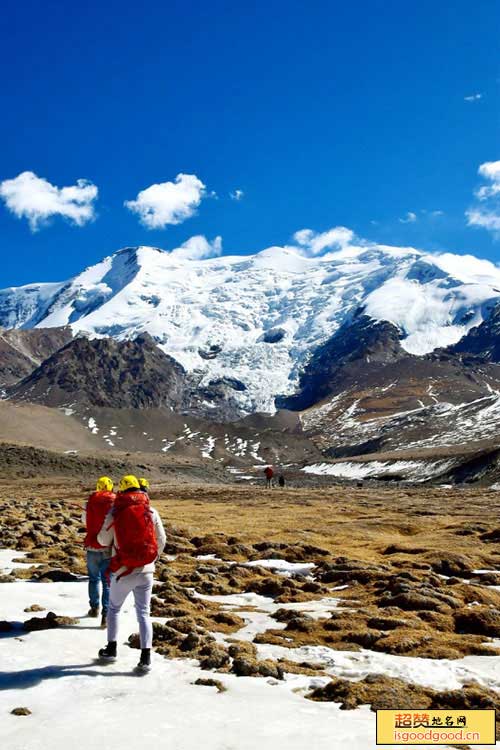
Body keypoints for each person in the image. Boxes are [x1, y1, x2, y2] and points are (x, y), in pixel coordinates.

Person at [97, 474, 166, 673]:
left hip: (123, 570)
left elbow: (102, 540)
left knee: (114, 609)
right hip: (146, 570)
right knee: (144, 613)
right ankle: (146, 657)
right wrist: (151, 559)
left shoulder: (115, 512)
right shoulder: (151, 511)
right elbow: (162, 540)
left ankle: (111, 649)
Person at [82, 476, 116, 628]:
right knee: (107, 582)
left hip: (92, 546)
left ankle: (94, 608)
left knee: (93, 579)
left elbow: (84, 520)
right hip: (108, 548)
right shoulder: (115, 502)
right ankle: (106, 616)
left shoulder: (89, 501)